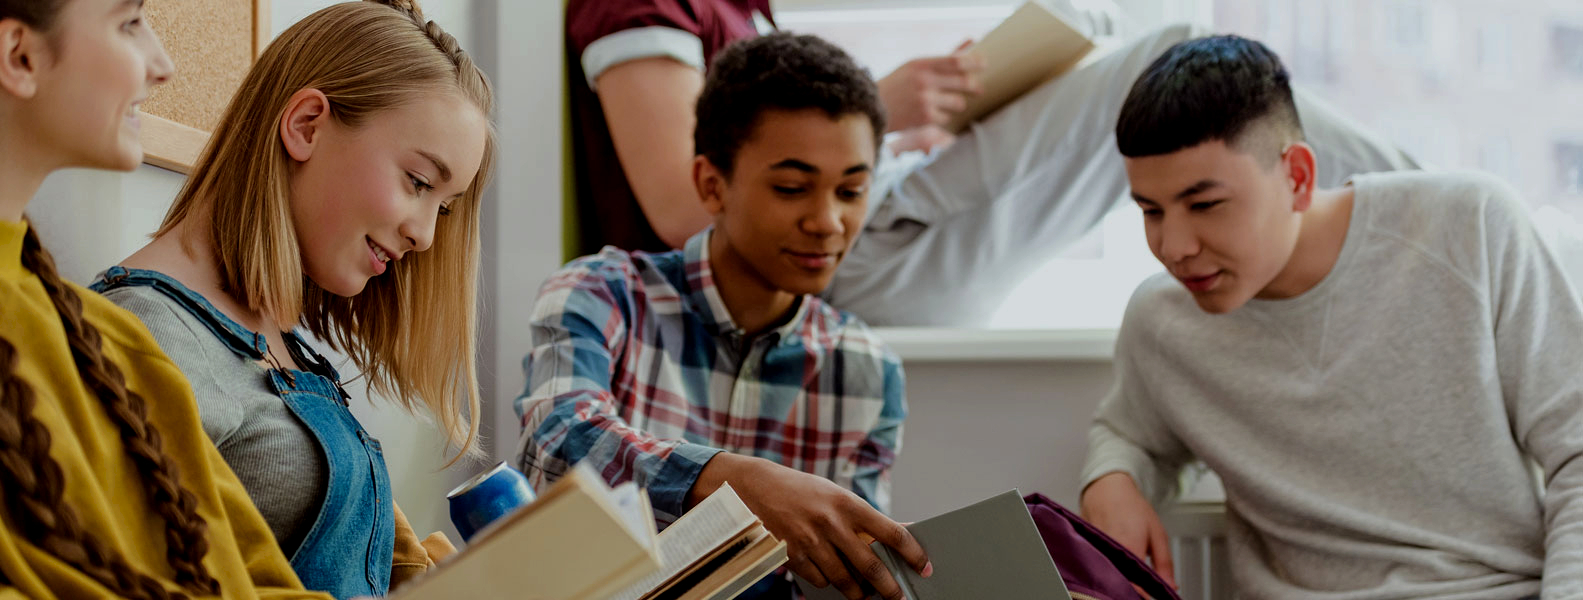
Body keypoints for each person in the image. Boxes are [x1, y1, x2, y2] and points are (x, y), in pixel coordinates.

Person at [1078, 35, 1583, 598]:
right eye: (1151, 211)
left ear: (1295, 176)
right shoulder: (1162, 321)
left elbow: (1578, 449)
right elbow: (1129, 431)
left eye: (1204, 205)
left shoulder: (1472, 229)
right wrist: (1113, 477)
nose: (1173, 246)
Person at [566, 1, 1418, 326]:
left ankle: (1412, 200)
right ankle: (1417, 196)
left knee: (1108, 40)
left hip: (884, 228)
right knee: (1172, 49)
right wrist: (877, 111)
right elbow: (685, 209)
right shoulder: (643, 5)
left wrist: (903, 129)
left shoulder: (736, 5)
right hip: (864, 263)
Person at [88, 1, 493, 597]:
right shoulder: (141, 337)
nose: (426, 235)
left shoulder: (285, 348)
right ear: (305, 125)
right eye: (418, 182)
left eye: (444, 206)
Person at [517, 33, 932, 600]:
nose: (829, 221)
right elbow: (556, 440)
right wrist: (731, 482)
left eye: (853, 189)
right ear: (712, 185)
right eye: (792, 188)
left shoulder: (869, 373)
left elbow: (849, 577)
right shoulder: (603, 294)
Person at [0, 0, 331, 597]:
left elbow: (252, 576)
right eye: (129, 23)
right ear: (19, 55)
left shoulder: (111, 344)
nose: (163, 64)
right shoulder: (138, 328)